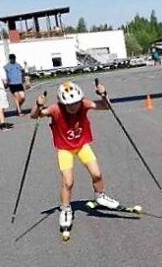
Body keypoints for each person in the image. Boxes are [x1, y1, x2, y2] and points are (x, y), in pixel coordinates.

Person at [30, 81, 123, 231]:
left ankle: (100, 197)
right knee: (68, 182)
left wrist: (104, 95)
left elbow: (106, 106)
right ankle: (65, 209)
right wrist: (37, 104)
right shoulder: (55, 109)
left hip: (81, 146)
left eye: (75, 103)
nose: (73, 107)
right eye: (69, 104)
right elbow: (34, 116)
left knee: (97, 174)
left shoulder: (84, 104)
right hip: (64, 149)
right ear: (62, 103)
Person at [0, 59, 13, 130]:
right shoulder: (0, 68)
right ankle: (2, 123)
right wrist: (6, 85)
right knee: (1, 106)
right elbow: (4, 80)